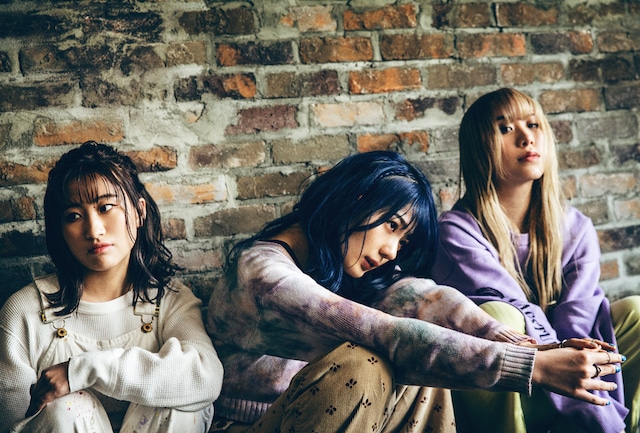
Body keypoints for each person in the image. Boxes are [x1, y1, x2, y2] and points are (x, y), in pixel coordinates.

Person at [205, 150, 623, 433]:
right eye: (391, 227)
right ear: (356, 198)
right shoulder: (262, 273)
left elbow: (427, 298)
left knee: (423, 352)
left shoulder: (336, 268)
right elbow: (381, 331)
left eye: (402, 241)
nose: (391, 251)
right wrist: (532, 368)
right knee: (368, 361)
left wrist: (529, 347)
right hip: (254, 426)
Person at [432, 88, 640, 433]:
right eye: (505, 128)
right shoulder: (455, 231)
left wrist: (578, 365)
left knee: (636, 310)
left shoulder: (575, 227)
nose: (526, 137)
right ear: (479, 147)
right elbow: (511, 308)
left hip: (576, 378)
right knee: (500, 315)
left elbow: (580, 316)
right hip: (510, 383)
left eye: (533, 124)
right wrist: (557, 355)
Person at [0, 142, 224, 433]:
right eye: (74, 216)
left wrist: (81, 370)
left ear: (139, 211)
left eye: (106, 207)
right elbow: (11, 423)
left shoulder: (169, 300)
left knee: (175, 393)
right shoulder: (25, 312)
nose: (94, 231)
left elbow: (206, 378)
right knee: (69, 407)